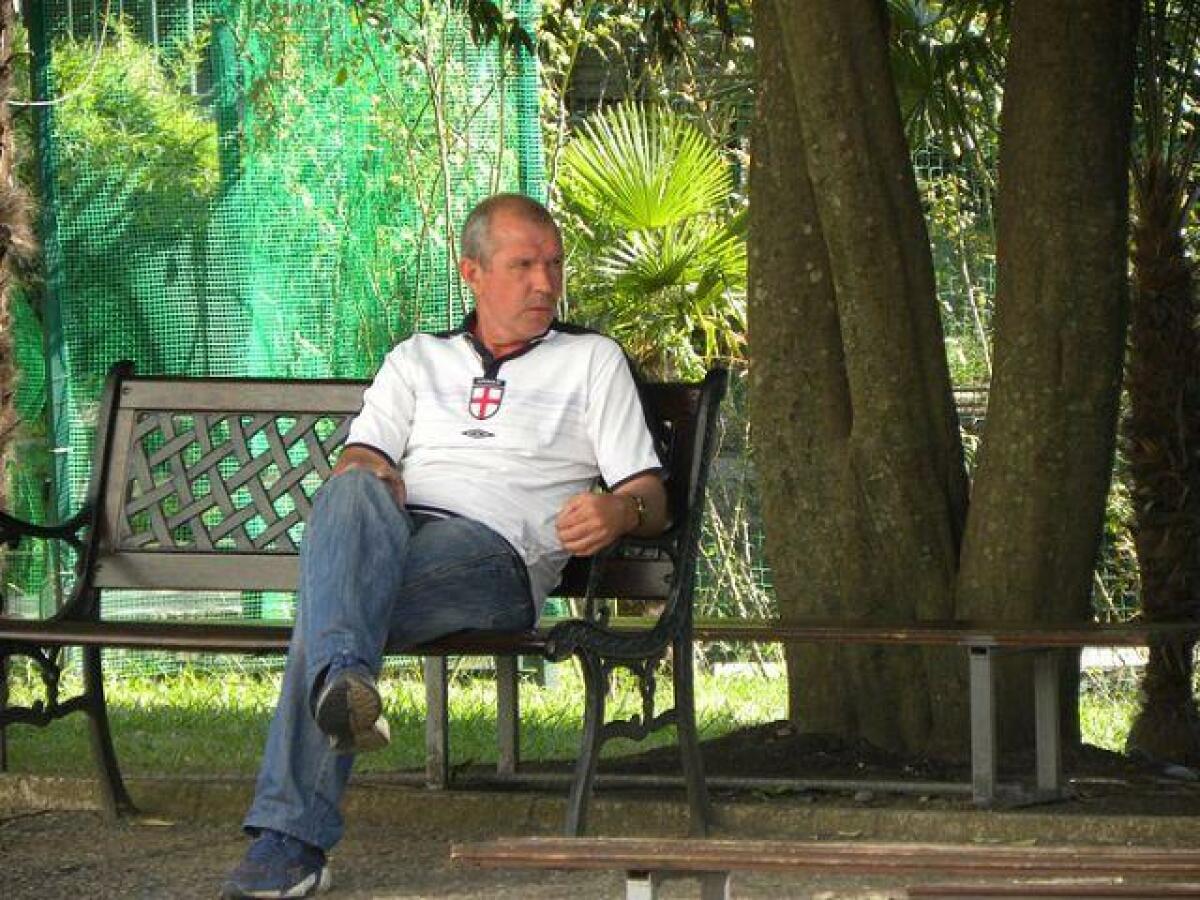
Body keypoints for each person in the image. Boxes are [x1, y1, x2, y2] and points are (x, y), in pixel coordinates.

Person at [221, 193, 668, 899]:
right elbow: (361, 458)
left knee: (331, 614)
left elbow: (650, 495)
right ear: (472, 271)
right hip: (398, 536)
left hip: (497, 557)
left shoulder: (591, 360)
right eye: (523, 265)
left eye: (553, 264)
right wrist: (373, 477)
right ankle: (343, 689)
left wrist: (621, 509)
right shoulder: (416, 359)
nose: (545, 283)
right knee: (348, 489)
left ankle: (294, 828)